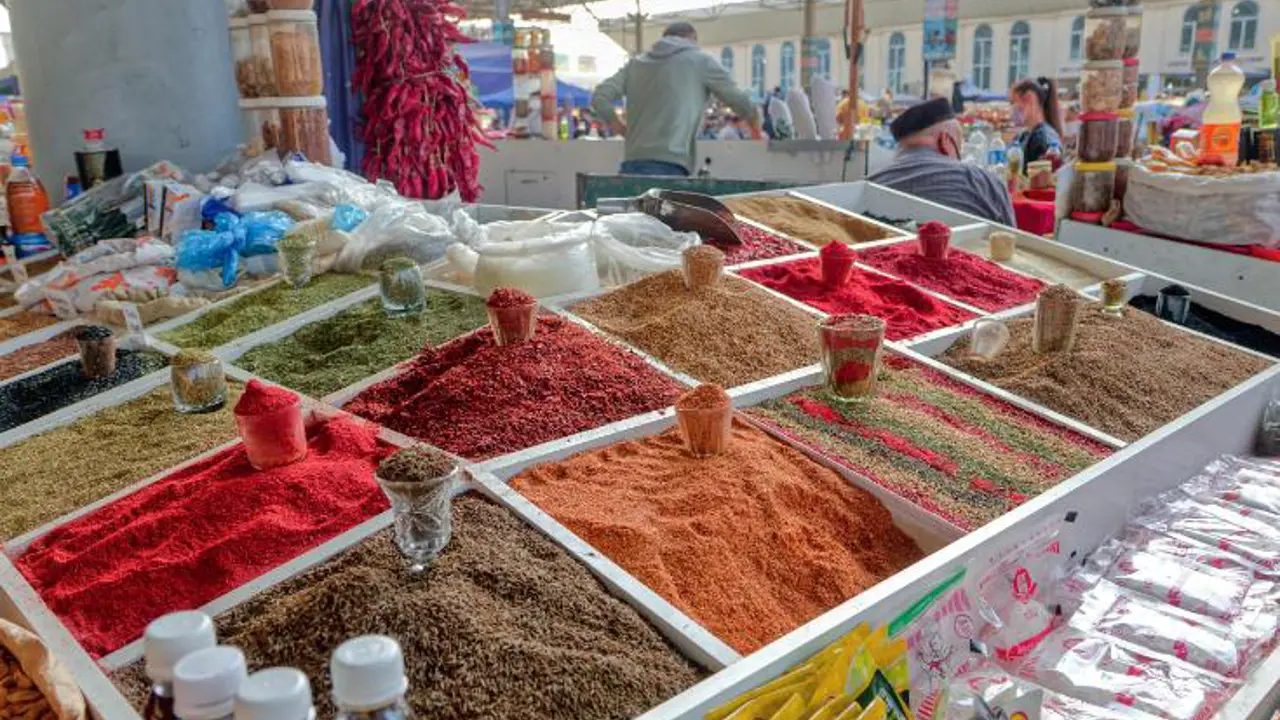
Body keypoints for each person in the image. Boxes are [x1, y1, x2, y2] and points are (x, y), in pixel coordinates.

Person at [591, 22, 759, 176]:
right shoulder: (700, 61)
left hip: (632, 164)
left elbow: (600, 97)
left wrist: (621, 128)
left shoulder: (636, 64)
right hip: (671, 165)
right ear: (692, 39)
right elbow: (741, 102)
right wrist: (756, 128)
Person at [869, 97, 1016, 226]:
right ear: (945, 140)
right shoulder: (985, 184)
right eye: (958, 148)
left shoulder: (870, 185)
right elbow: (1012, 241)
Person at [1009, 77, 1064, 166]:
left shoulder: (1042, 138)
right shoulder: (1022, 136)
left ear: (1029, 98)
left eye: (1014, 102)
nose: (1013, 109)